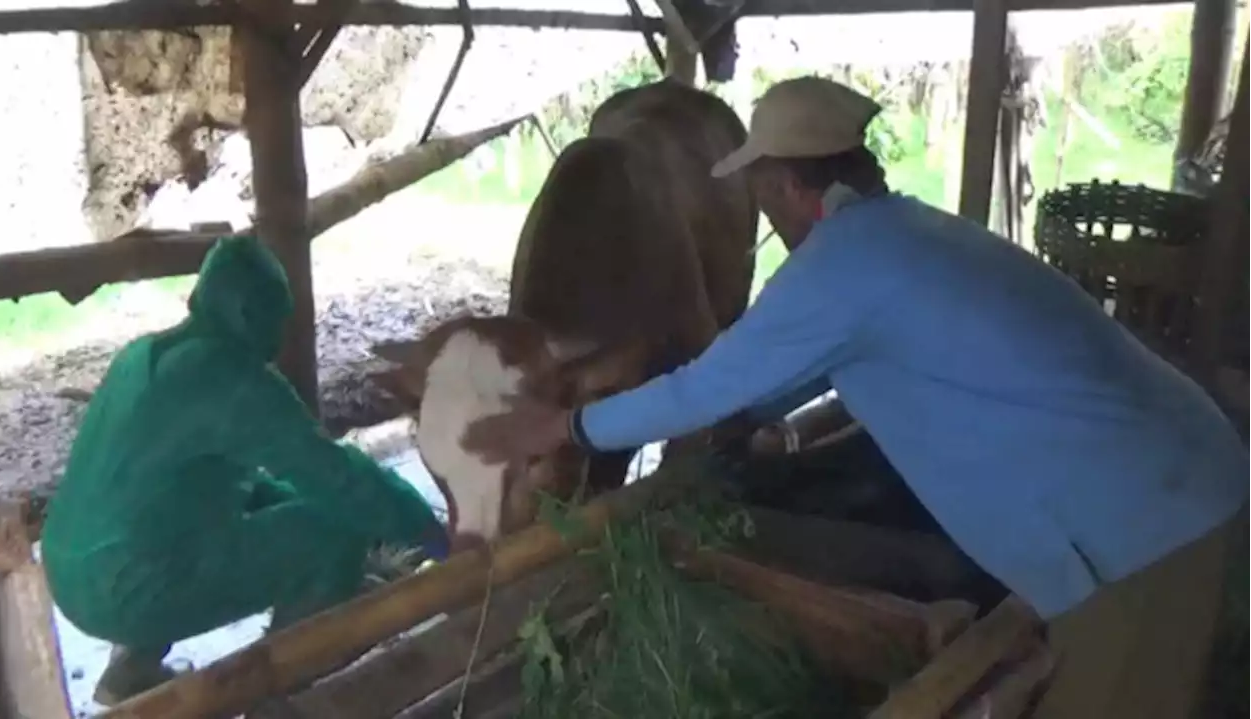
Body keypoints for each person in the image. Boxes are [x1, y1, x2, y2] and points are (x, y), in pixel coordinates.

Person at [462, 76, 1251, 718]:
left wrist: (571, 424)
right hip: (1181, 472)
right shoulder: (905, 234)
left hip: (1146, 525)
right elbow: (773, 380)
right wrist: (749, 431)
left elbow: (705, 385)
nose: (758, 216)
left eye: (760, 193)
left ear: (782, 183)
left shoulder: (842, 267)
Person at [41, 234, 449, 706]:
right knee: (330, 537)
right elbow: (335, 476)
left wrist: (294, 504)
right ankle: (271, 689)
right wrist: (426, 529)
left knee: (158, 518)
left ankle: (128, 673)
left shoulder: (144, 356)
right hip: (129, 588)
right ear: (257, 319)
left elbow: (228, 485)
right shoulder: (233, 380)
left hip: (68, 570)